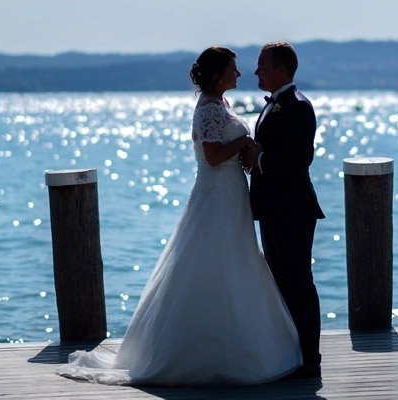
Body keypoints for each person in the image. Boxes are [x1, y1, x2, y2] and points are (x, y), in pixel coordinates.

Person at [56, 46, 302, 386]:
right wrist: (244, 141)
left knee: (236, 263)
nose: (240, 74)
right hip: (217, 196)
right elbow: (213, 157)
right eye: (234, 68)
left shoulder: (221, 105)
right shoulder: (207, 110)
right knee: (211, 263)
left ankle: (235, 344)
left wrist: (247, 154)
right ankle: (199, 351)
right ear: (218, 75)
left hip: (231, 196)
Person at [242, 42, 326, 380]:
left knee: (299, 282)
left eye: (262, 66)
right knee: (281, 282)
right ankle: (291, 353)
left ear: (281, 70)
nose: (256, 72)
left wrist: (258, 159)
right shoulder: (273, 105)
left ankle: (310, 359)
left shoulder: (299, 107)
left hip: (293, 209)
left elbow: (300, 158)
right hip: (272, 208)